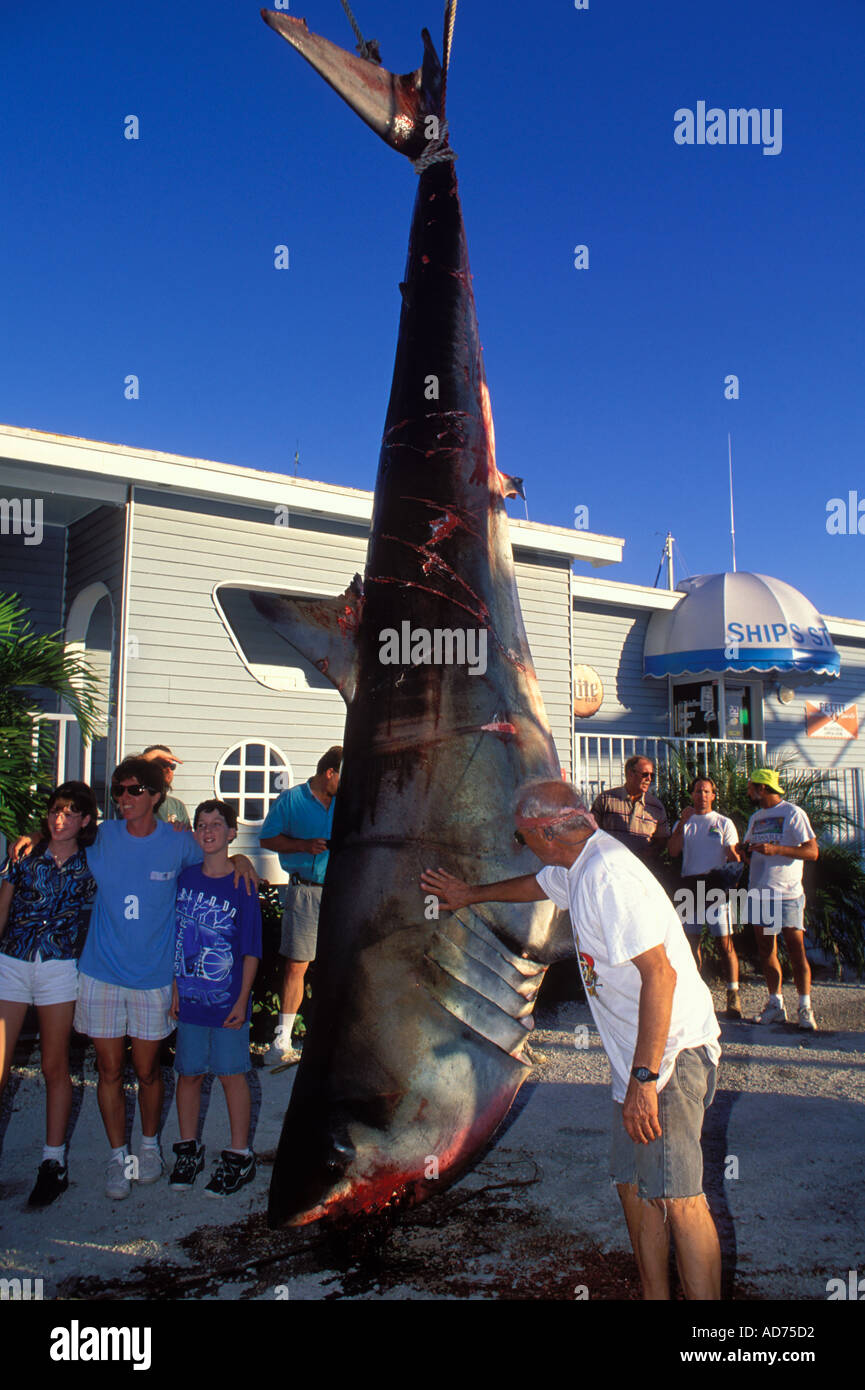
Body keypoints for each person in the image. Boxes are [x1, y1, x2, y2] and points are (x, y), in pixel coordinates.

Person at [421, 779, 722, 1301]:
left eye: (521, 835)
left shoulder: (608, 876)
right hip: (636, 1060)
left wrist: (645, 1080)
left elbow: (663, 977)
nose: (523, 843)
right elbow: (540, 884)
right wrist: (470, 895)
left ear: (545, 831)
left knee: (678, 1197)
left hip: (668, 1055)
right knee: (634, 1187)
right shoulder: (577, 863)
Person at [10, 757, 257, 1198]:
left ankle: (149, 1147)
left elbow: (216, 849)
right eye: (118, 791)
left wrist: (241, 860)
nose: (123, 798)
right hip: (102, 973)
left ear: (156, 797)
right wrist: (31, 836)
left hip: (153, 978)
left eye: (133, 791)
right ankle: (116, 1157)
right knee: (107, 1069)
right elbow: (60, 831)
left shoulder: (178, 841)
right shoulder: (100, 837)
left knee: (146, 1070)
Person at [0, 782, 99, 1206]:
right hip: (13, 961)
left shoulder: (93, 864)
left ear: (86, 820)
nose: (60, 819)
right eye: (55, 811)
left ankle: (52, 1162)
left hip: (59, 967)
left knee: (54, 1065)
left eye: (70, 813)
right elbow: (3, 907)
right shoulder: (24, 856)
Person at [169, 800, 262, 1197]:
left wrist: (242, 1000)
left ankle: (240, 1155)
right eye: (201, 824)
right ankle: (189, 1150)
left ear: (231, 833)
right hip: (189, 998)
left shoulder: (242, 884)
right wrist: (175, 989)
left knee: (230, 1074)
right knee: (188, 1074)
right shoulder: (184, 878)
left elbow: (252, 950)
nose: (208, 831)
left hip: (228, 1001)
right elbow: (175, 939)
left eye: (216, 825)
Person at [258, 745, 342, 1067]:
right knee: (297, 965)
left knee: (337, 968)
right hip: (305, 891)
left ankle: (328, 1038)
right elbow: (267, 838)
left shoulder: (345, 804)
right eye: (341, 778)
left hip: (341, 894)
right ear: (329, 773)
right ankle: (282, 1040)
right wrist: (303, 846)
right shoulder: (291, 800)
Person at [741, 767, 819, 1030]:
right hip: (760, 892)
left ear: (763, 788)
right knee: (766, 951)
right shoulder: (755, 817)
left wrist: (776, 849)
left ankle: (805, 1006)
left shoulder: (793, 813)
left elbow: (812, 851)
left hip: (787, 893)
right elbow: (751, 852)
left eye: (752, 786)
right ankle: (776, 1004)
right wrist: (744, 852)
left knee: (797, 951)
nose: (749, 790)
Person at [668, 777, 743, 1020]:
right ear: (691, 795)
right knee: (691, 943)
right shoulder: (685, 823)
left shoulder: (724, 822)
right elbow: (672, 851)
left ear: (713, 795)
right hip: (689, 885)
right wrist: (681, 823)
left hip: (716, 886)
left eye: (707, 791)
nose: (702, 795)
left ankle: (733, 996)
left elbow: (733, 853)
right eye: (698, 791)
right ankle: (694, 995)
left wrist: (734, 872)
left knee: (725, 943)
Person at [590, 754, 670, 863]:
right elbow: (592, 832)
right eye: (645, 774)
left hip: (641, 868)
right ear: (630, 774)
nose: (649, 779)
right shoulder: (606, 800)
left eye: (652, 775)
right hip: (610, 865)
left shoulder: (656, 807)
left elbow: (662, 841)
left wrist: (647, 854)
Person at [142, 745, 190, 827]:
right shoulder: (133, 799)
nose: (168, 770)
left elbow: (187, 838)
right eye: (163, 765)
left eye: (172, 766)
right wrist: (153, 754)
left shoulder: (177, 806)